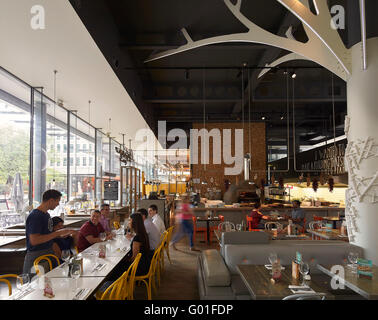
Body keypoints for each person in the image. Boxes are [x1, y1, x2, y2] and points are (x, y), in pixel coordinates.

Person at [23, 189, 76, 275]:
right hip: (37, 257)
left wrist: (60, 235)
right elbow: (34, 240)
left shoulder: (46, 215)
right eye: (57, 201)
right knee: (35, 285)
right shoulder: (35, 216)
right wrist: (57, 233)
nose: (58, 204)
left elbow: (47, 235)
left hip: (48, 254)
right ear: (51, 200)